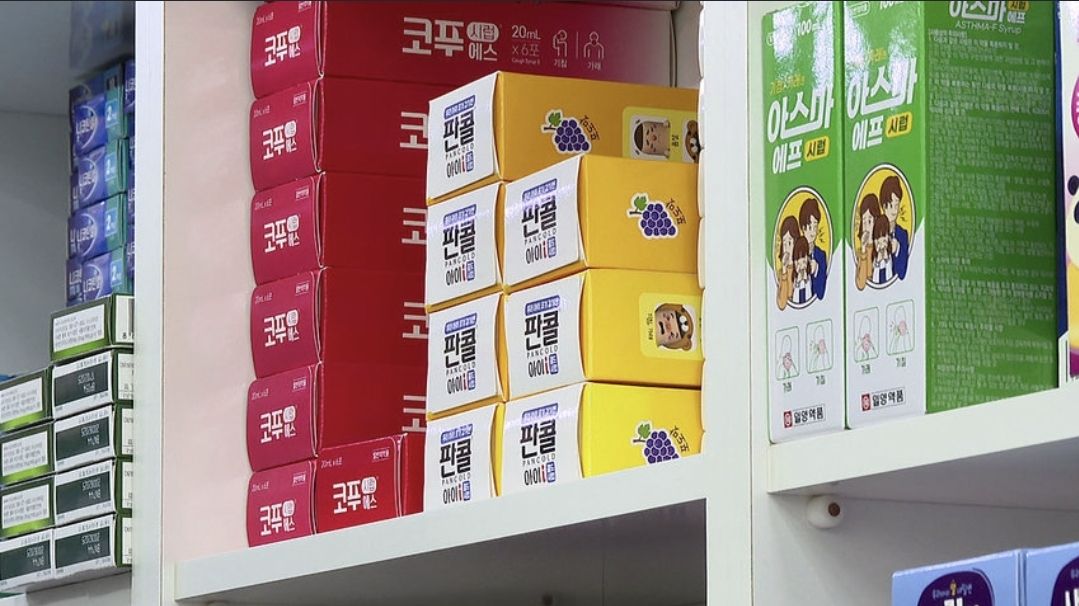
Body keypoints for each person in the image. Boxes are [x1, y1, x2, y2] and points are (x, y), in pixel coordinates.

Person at [879, 175, 910, 280]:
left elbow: (902, 274)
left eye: (896, 205)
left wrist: (897, 249)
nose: (894, 211)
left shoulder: (902, 235)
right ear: (884, 206)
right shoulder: (876, 233)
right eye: (890, 205)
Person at [798, 197, 828, 300]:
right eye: (809, 227)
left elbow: (820, 294)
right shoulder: (796, 255)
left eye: (815, 227)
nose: (813, 232)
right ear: (803, 228)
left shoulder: (821, 256)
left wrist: (816, 270)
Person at [854, 193, 881, 291]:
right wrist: (864, 248)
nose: (866, 227)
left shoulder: (881, 245)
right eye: (864, 221)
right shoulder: (861, 252)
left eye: (869, 221)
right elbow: (861, 284)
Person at [775, 215, 799, 309]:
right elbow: (782, 304)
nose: (787, 248)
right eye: (784, 243)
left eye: (789, 243)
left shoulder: (801, 266)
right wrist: (784, 270)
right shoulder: (781, 273)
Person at [871, 215, 894, 285]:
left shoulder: (890, 257)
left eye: (884, 240)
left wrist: (886, 260)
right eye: (877, 240)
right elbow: (875, 281)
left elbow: (890, 279)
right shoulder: (874, 260)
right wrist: (878, 262)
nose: (881, 244)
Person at [791, 237, 812, 306]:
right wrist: (798, 282)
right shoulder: (794, 279)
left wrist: (806, 281)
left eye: (804, 261)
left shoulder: (809, 277)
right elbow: (795, 301)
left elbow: (809, 298)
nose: (801, 265)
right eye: (797, 261)